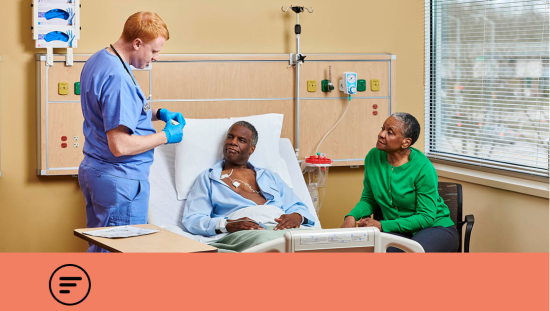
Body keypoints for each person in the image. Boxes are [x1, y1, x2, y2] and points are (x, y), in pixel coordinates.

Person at [78, 12, 185, 252]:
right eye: (154, 51)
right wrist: (167, 136)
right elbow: (121, 146)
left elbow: (111, 111)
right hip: (120, 180)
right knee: (119, 255)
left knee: (100, 248)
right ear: (137, 43)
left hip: (97, 171)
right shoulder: (118, 78)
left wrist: (157, 114)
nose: (156, 58)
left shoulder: (100, 59)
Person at [341, 113, 459, 252]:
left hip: (435, 228)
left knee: (411, 254)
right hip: (397, 231)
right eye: (382, 128)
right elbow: (369, 199)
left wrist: (382, 225)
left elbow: (426, 218)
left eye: (389, 132)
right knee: (367, 251)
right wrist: (352, 216)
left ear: (406, 142)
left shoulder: (423, 167)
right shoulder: (373, 157)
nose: (381, 134)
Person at [182, 121, 315, 236]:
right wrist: (226, 225)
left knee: (315, 241)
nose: (233, 142)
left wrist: (296, 217)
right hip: (247, 232)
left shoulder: (270, 177)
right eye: (230, 137)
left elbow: (298, 207)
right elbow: (193, 219)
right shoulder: (209, 179)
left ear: (251, 149)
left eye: (241, 140)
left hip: (281, 228)